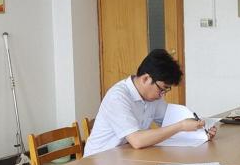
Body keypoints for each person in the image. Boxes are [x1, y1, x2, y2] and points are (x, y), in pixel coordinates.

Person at [84, 49, 215, 157]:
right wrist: (181, 126)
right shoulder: (118, 97)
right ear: (146, 78)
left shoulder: (152, 97)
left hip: (126, 156)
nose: (162, 95)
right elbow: (137, 140)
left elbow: (171, 120)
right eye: (162, 89)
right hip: (98, 161)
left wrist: (201, 131)